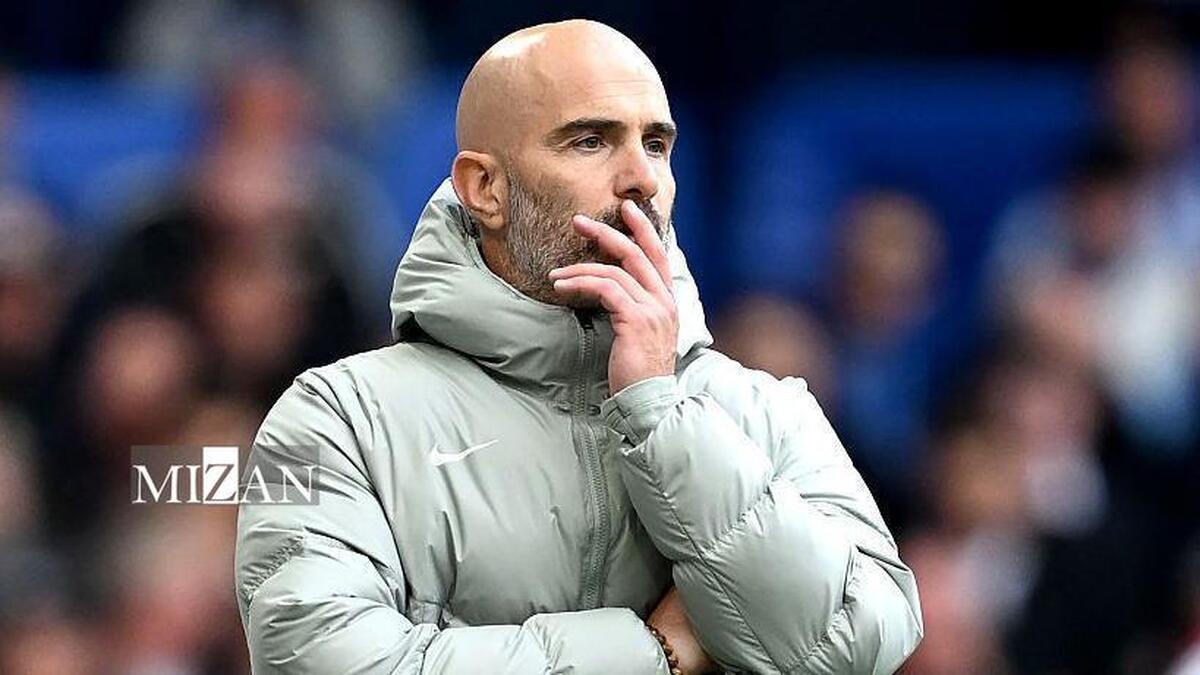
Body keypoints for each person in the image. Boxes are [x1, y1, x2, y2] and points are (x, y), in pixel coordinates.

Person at [235, 19, 922, 674]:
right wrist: (656, 651)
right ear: (485, 188)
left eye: (657, 144)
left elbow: (860, 645)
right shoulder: (337, 421)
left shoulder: (764, 408)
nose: (641, 177)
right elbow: (321, 659)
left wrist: (661, 415)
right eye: (590, 141)